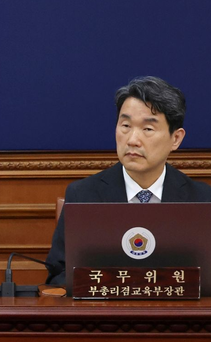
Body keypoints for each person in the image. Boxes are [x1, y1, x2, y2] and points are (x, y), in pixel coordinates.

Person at [45, 76, 211, 285]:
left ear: (176, 138)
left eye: (148, 129)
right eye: (125, 125)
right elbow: (57, 277)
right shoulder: (82, 195)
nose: (132, 140)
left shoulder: (202, 200)